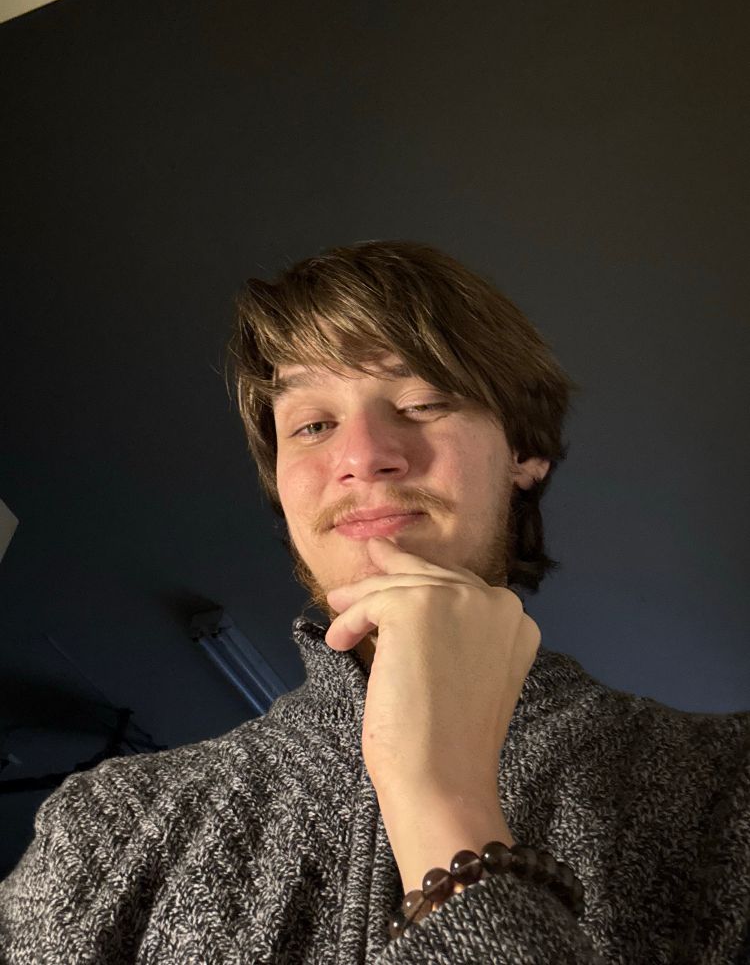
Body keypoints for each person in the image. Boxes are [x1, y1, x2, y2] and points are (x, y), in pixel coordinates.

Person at [1, 240, 748, 963]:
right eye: (313, 425)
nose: (360, 456)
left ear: (525, 452)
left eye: (423, 402)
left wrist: (442, 803)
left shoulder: (729, 787)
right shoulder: (106, 828)